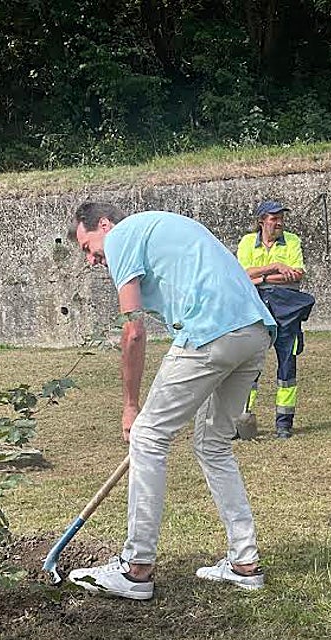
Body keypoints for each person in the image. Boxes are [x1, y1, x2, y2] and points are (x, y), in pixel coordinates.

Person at [65, 202, 277, 600]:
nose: (92, 259)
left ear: (105, 226)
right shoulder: (158, 230)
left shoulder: (124, 236)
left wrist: (131, 405)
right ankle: (244, 562)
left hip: (213, 329)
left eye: (87, 246)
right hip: (254, 331)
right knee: (213, 445)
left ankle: (136, 568)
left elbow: (133, 331)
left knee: (147, 436)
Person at [234, 200, 315, 440]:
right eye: (273, 218)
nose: (279, 222)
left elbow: (297, 275)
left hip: (286, 308)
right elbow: (241, 275)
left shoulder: (292, 240)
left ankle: (284, 423)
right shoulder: (247, 242)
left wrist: (260, 278)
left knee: (287, 365)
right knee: (249, 366)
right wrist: (277, 267)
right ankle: (242, 419)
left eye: (281, 218)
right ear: (261, 221)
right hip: (255, 309)